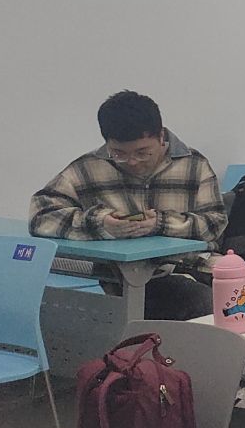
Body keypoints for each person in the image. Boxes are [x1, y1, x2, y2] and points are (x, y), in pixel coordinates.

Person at [30, 90, 226, 319]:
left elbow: (215, 223)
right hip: (129, 278)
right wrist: (100, 223)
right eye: (119, 154)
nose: (132, 161)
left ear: (161, 136)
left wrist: (162, 224)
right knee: (204, 303)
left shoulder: (194, 165)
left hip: (197, 264)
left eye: (143, 153)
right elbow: (40, 216)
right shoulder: (87, 168)